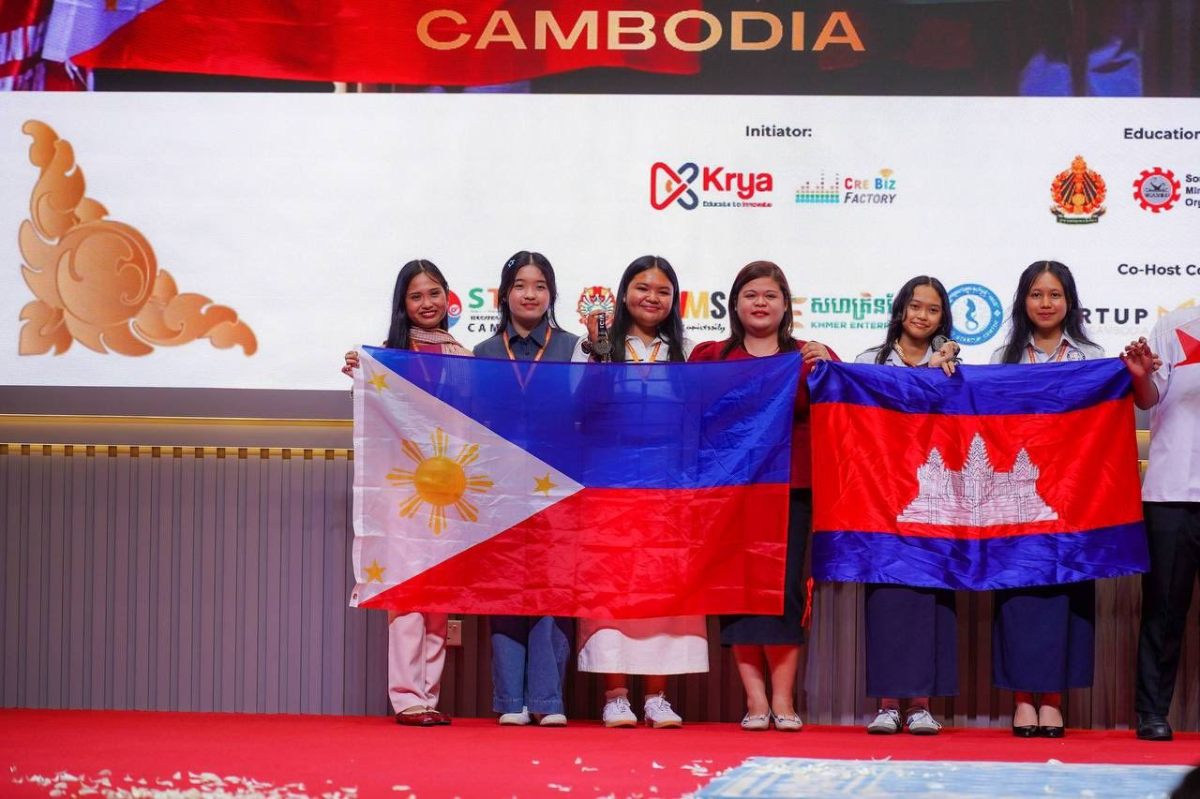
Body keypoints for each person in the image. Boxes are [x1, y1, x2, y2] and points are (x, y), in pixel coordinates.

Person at [688, 261, 836, 732]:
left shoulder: (809, 355)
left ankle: (784, 701)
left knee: (785, 592)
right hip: (729, 493)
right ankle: (755, 701)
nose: (760, 302)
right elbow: (690, 414)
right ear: (735, 303)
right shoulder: (711, 357)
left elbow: (840, 412)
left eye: (770, 295)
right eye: (751, 294)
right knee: (737, 591)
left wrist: (830, 368)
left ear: (786, 305)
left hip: (791, 491)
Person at [572, 254, 707, 728]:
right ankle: (615, 694)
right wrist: (596, 358)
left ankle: (656, 696)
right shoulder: (596, 346)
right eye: (643, 288)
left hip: (668, 485)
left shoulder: (685, 352)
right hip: (609, 482)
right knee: (611, 584)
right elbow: (578, 409)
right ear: (624, 293)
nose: (652, 298)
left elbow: (696, 418)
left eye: (663, 291)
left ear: (674, 300)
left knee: (663, 585)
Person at [343, 258, 471, 727]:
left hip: (451, 490)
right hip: (403, 492)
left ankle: (428, 696)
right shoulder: (387, 357)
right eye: (416, 296)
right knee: (407, 593)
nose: (426, 303)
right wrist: (362, 377)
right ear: (403, 304)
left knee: (439, 596)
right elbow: (376, 419)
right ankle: (406, 697)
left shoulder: (467, 358)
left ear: (448, 297)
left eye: (434, 293)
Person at [989, 260, 1104, 738]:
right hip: (1018, 495)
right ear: (1023, 302)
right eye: (1036, 294)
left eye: (1055, 294)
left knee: (1064, 591)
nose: (1045, 303)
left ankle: (1053, 699)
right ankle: (1022, 698)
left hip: (1073, 496)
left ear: (1069, 302)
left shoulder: (1091, 357)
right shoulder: (1004, 357)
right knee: (1019, 593)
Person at [473, 251, 579, 726]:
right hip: (499, 487)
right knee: (505, 590)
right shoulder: (483, 353)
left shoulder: (574, 348)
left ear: (552, 294)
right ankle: (510, 701)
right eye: (520, 285)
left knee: (552, 590)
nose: (530, 294)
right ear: (504, 294)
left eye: (540, 286)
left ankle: (547, 700)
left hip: (559, 486)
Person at [855, 275, 961, 735]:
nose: (922, 315)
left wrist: (942, 372)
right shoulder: (869, 362)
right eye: (915, 306)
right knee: (887, 597)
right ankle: (886, 703)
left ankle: (920, 704)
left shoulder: (954, 366)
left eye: (932, 309)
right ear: (900, 310)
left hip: (936, 497)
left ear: (943, 318)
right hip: (881, 498)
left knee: (930, 596)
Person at [1126, 301, 1200, 742]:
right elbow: (1146, 396)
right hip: (1173, 492)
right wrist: (1139, 375)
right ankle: (1152, 712)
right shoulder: (1173, 326)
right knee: (1164, 610)